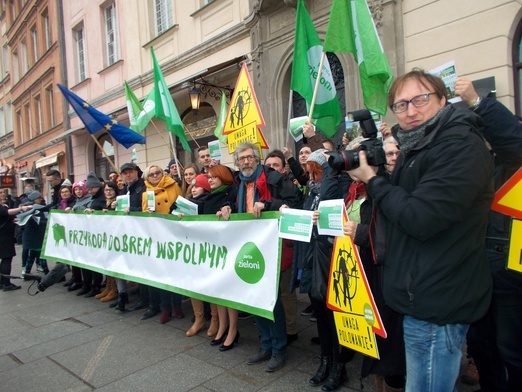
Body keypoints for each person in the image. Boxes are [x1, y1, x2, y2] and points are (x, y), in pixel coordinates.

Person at [347, 68, 494, 392]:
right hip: (422, 295)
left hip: (438, 302)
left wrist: (373, 180)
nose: (410, 110)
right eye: (401, 105)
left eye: (420, 99)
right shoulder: (420, 147)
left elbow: (420, 218)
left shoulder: (459, 146)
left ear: (443, 100)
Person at [455, 76, 522, 392]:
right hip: (476, 270)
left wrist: (478, 102)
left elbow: (513, 140)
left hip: (508, 270)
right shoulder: (477, 166)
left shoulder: (511, 161)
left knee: (512, 347)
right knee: (480, 342)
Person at [218, 142, 301, 371]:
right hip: (249, 248)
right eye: (241, 158)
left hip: (273, 247)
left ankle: (279, 348)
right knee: (254, 298)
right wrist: (226, 207)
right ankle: (265, 344)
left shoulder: (274, 178)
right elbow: (232, 202)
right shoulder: (238, 182)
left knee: (271, 301)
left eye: (249, 157)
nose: (245, 161)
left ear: (257, 158)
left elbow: (294, 202)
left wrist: (267, 204)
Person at [264, 150, 303, 345]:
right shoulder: (262, 185)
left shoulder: (289, 186)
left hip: (285, 244)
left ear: (283, 168)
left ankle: (290, 329)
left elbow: (294, 207)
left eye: (276, 165)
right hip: (265, 245)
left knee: (286, 291)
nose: (272, 168)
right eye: (268, 165)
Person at [141, 164, 183, 323]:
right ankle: (166, 308)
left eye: (157, 172)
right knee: (162, 273)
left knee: (176, 272)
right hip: (157, 236)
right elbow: (144, 217)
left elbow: (181, 204)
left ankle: (177, 305)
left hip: (173, 233)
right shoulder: (146, 194)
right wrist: (148, 214)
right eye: (151, 174)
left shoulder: (174, 185)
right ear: (147, 177)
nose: (155, 176)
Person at [183, 172, 218, 338]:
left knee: (210, 285)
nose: (194, 188)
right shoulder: (187, 203)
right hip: (192, 249)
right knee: (193, 283)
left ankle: (215, 319)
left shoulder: (210, 203)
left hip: (207, 249)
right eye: (193, 186)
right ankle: (199, 319)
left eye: (198, 186)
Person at [78, 172, 106, 298]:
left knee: (95, 262)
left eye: (91, 188)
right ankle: (87, 284)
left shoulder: (102, 198)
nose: (89, 191)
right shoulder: (93, 198)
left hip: (99, 233)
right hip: (90, 234)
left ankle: (96, 286)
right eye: (88, 189)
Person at [94, 182, 120, 303]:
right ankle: (108, 287)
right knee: (107, 262)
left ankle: (114, 290)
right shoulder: (104, 202)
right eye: (106, 190)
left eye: (110, 190)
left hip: (116, 237)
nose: (108, 192)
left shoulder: (118, 202)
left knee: (113, 263)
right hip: (106, 236)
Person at [0, 191, 31, 291]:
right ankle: (6, 283)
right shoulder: (2, 208)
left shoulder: (3, 205)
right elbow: (7, 213)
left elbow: (10, 218)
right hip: (3, 237)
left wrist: (24, 218)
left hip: (6, 236)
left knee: (5, 259)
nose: (3, 194)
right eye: (0, 192)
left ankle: (2, 282)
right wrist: (21, 208)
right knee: (6, 259)